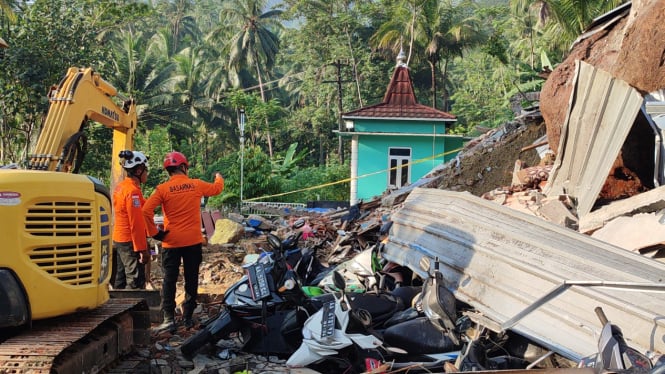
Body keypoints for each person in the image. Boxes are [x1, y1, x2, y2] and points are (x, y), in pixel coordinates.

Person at [143, 151, 224, 333]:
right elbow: (217, 189)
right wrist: (219, 177)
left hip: (171, 242)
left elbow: (145, 211)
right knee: (191, 279)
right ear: (183, 167)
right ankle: (187, 318)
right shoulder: (195, 184)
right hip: (193, 242)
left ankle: (169, 319)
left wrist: (155, 233)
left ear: (169, 171)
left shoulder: (162, 189)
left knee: (169, 280)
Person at [111, 150, 150, 290]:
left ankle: (116, 305)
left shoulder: (122, 187)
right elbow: (136, 223)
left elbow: (143, 206)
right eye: (146, 170)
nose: (147, 173)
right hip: (129, 241)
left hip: (120, 239)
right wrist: (142, 249)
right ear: (139, 170)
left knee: (120, 278)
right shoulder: (132, 192)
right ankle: (132, 310)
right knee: (135, 280)